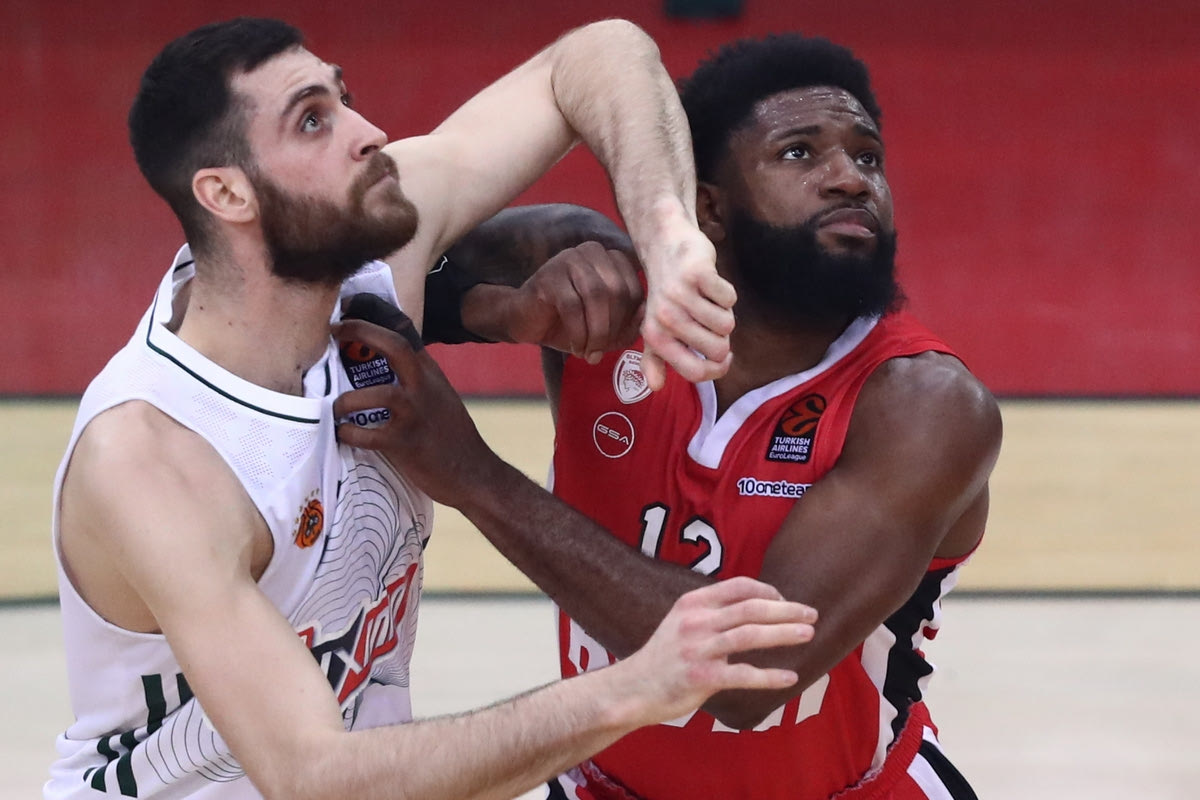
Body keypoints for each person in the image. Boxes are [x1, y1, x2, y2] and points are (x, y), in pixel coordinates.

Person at [46, 17, 821, 799]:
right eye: (312, 121)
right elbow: (316, 779)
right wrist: (638, 686)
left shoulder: (368, 263)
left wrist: (669, 235)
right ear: (226, 193)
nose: (369, 133)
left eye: (344, 98)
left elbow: (599, 53)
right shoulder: (152, 459)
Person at [353, 32, 1001, 799]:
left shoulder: (923, 404)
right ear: (708, 208)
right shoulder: (589, 272)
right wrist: (497, 311)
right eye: (800, 153)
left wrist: (473, 476)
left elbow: (747, 673)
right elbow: (355, 283)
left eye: (868, 157)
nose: (849, 179)